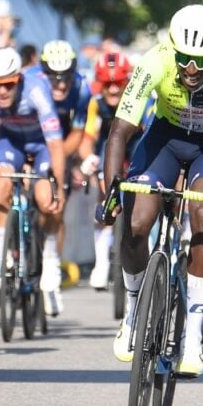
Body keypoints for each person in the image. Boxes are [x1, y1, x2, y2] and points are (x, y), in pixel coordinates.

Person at [96, 4, 203, 376]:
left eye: (200, 61)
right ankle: (133, 310)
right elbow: (120, 131)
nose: (190, 69)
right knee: (134, 223)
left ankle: (193, 334)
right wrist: (111, 192)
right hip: (164, 139)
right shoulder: (155, 61)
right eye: (184, 59)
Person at [0, 47, 67, 318]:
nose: (2, 92)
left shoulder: (37, 90)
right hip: (10, 143)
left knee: (46, 199)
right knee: (0, 184)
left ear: (19, 80)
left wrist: (57, 186)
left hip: (41, 146)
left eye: (8, 85)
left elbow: (56, 144)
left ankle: (49, 259)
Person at [27, 39, 92, 314]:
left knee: (55, 202)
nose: (61, 84)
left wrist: (59, 161)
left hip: (60, 144)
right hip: (27, 138)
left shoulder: (81, 87)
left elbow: (77, 133)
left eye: (65, 77)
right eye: (55, 78)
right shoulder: (29, 81)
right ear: (43, 73)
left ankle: (52, 260)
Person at [79, 49, 138, 289]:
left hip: (135, 143)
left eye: (118, 83)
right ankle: (101, 262)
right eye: (107, 83)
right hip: (108, 145)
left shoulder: (138, 98)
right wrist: (88, 157)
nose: (113, 89)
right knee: (104, 193)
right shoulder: (95, 102)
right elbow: (86, 137)